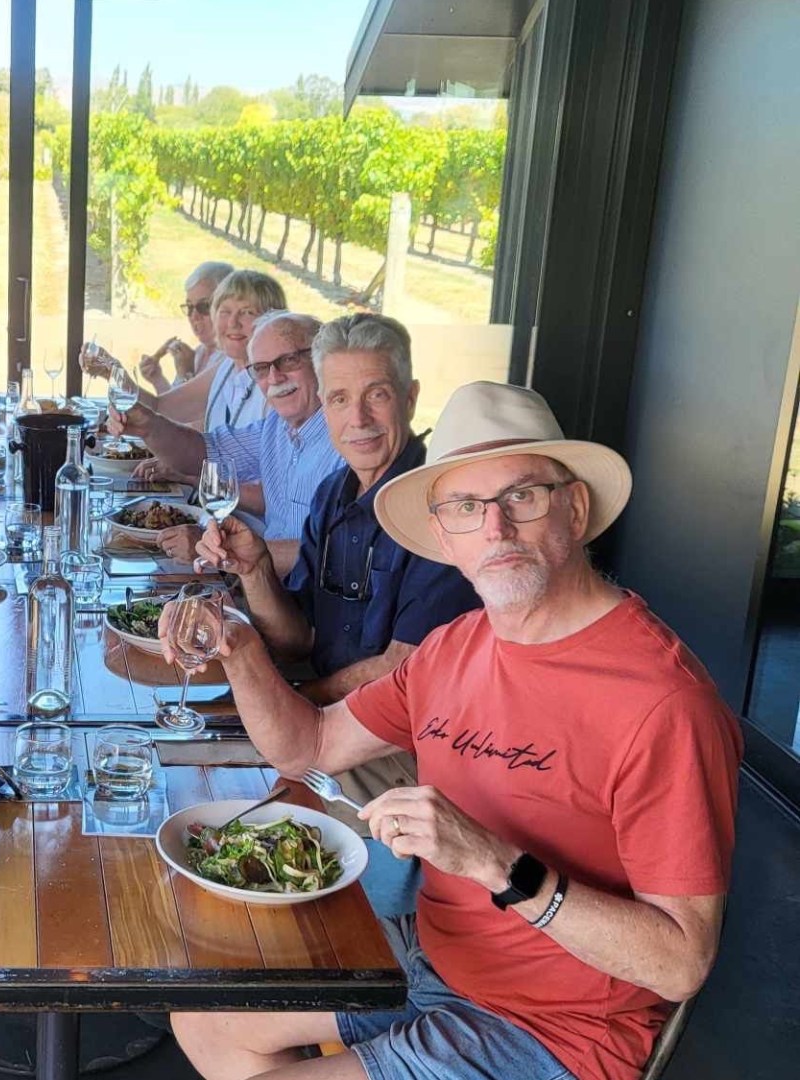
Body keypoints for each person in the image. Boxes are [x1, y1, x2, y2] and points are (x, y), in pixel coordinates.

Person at [168, 380, 742, 1080]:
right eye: (466, 507)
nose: (495, 529)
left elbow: (682, 963)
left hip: (556, 1027)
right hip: (436, 958)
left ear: (575, 508)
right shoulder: (455, 646)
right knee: (202, 1016)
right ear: (444, 536)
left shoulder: (664, 701)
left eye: (522, 496)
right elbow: (309, 745)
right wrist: (238, 647)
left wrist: (498, 865)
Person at [194, 313, 480, 916]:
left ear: (409, 397)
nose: (359, 419)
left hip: (403, 750)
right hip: (324, 719)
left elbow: (404, 672)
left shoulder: (436, 509)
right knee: (192, 766)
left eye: (377, 395)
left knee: (222, 792)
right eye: (340, 399)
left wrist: (290, 706)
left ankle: (355, 942)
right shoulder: (335, 493)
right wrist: (254, 571)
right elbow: (297, 639)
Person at [106, 311, 342, 573]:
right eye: (261, 368)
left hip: (295, 593)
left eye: (288, 360)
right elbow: (204, 452)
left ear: (323, 361)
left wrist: (222, 549)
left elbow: (337, 556)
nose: (274, 377)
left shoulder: (347, 442)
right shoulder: (276, 425)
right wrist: (148, 426)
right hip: (262, 582)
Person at [82, 269, 286, 439]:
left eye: (247, 312)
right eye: (225, 311)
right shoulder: (227, 367)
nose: (233, 322)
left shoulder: (277, 381)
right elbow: (162, 408)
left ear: (272, 321)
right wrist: (112, 370)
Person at [135, 260, 233, 393]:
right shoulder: (198, 353)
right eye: (190, 307)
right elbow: (169, 404)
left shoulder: (231, 360)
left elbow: (189, 406)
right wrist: (157, 379)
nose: (194, 316)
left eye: (204, 306)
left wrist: (186, 375)